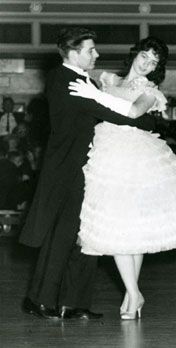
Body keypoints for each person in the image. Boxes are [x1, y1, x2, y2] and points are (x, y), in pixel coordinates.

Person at [69, 37, 176, 320]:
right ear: (135, 54)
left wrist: (93, 95)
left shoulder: (151, 91)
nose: (147, 64)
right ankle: (134, 293)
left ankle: (133, 294)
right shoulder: (108, 79)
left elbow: (132, 112)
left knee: (132, 229)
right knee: (117, 226)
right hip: (106, 154)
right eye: (145, 56)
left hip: (135, 156)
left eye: (154, 62)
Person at [19, 27, 159, 320]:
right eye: (90, 50)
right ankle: (39, 299)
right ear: (73, 53)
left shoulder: (84, 80)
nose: (96, 54)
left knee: (88, 236)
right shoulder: (63, 78)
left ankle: (74, 302)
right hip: (68, 167)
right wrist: (145, 121)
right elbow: (112, 112)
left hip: (90, 166)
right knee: (62, 235)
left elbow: (106, 98)